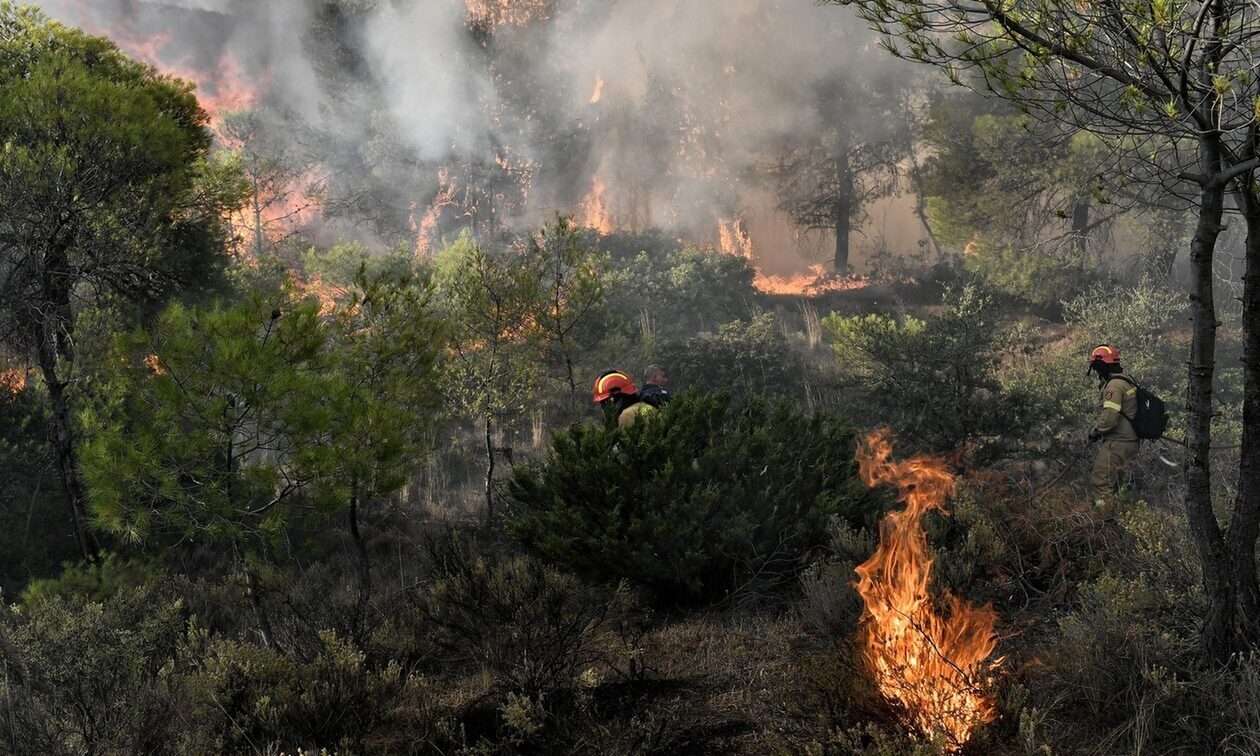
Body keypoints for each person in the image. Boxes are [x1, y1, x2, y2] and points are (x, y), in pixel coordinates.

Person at [1086, 344, 1140, 502]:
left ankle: (1102, 518)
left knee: (1100, 483)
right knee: (1116, 484)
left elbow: (1110, 417)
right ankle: (1120, 515)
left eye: (1096, 367)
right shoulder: (1126, 380)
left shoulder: (1114, 386)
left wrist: (1095, 431)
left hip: (1118, 442)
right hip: (1129, 440)